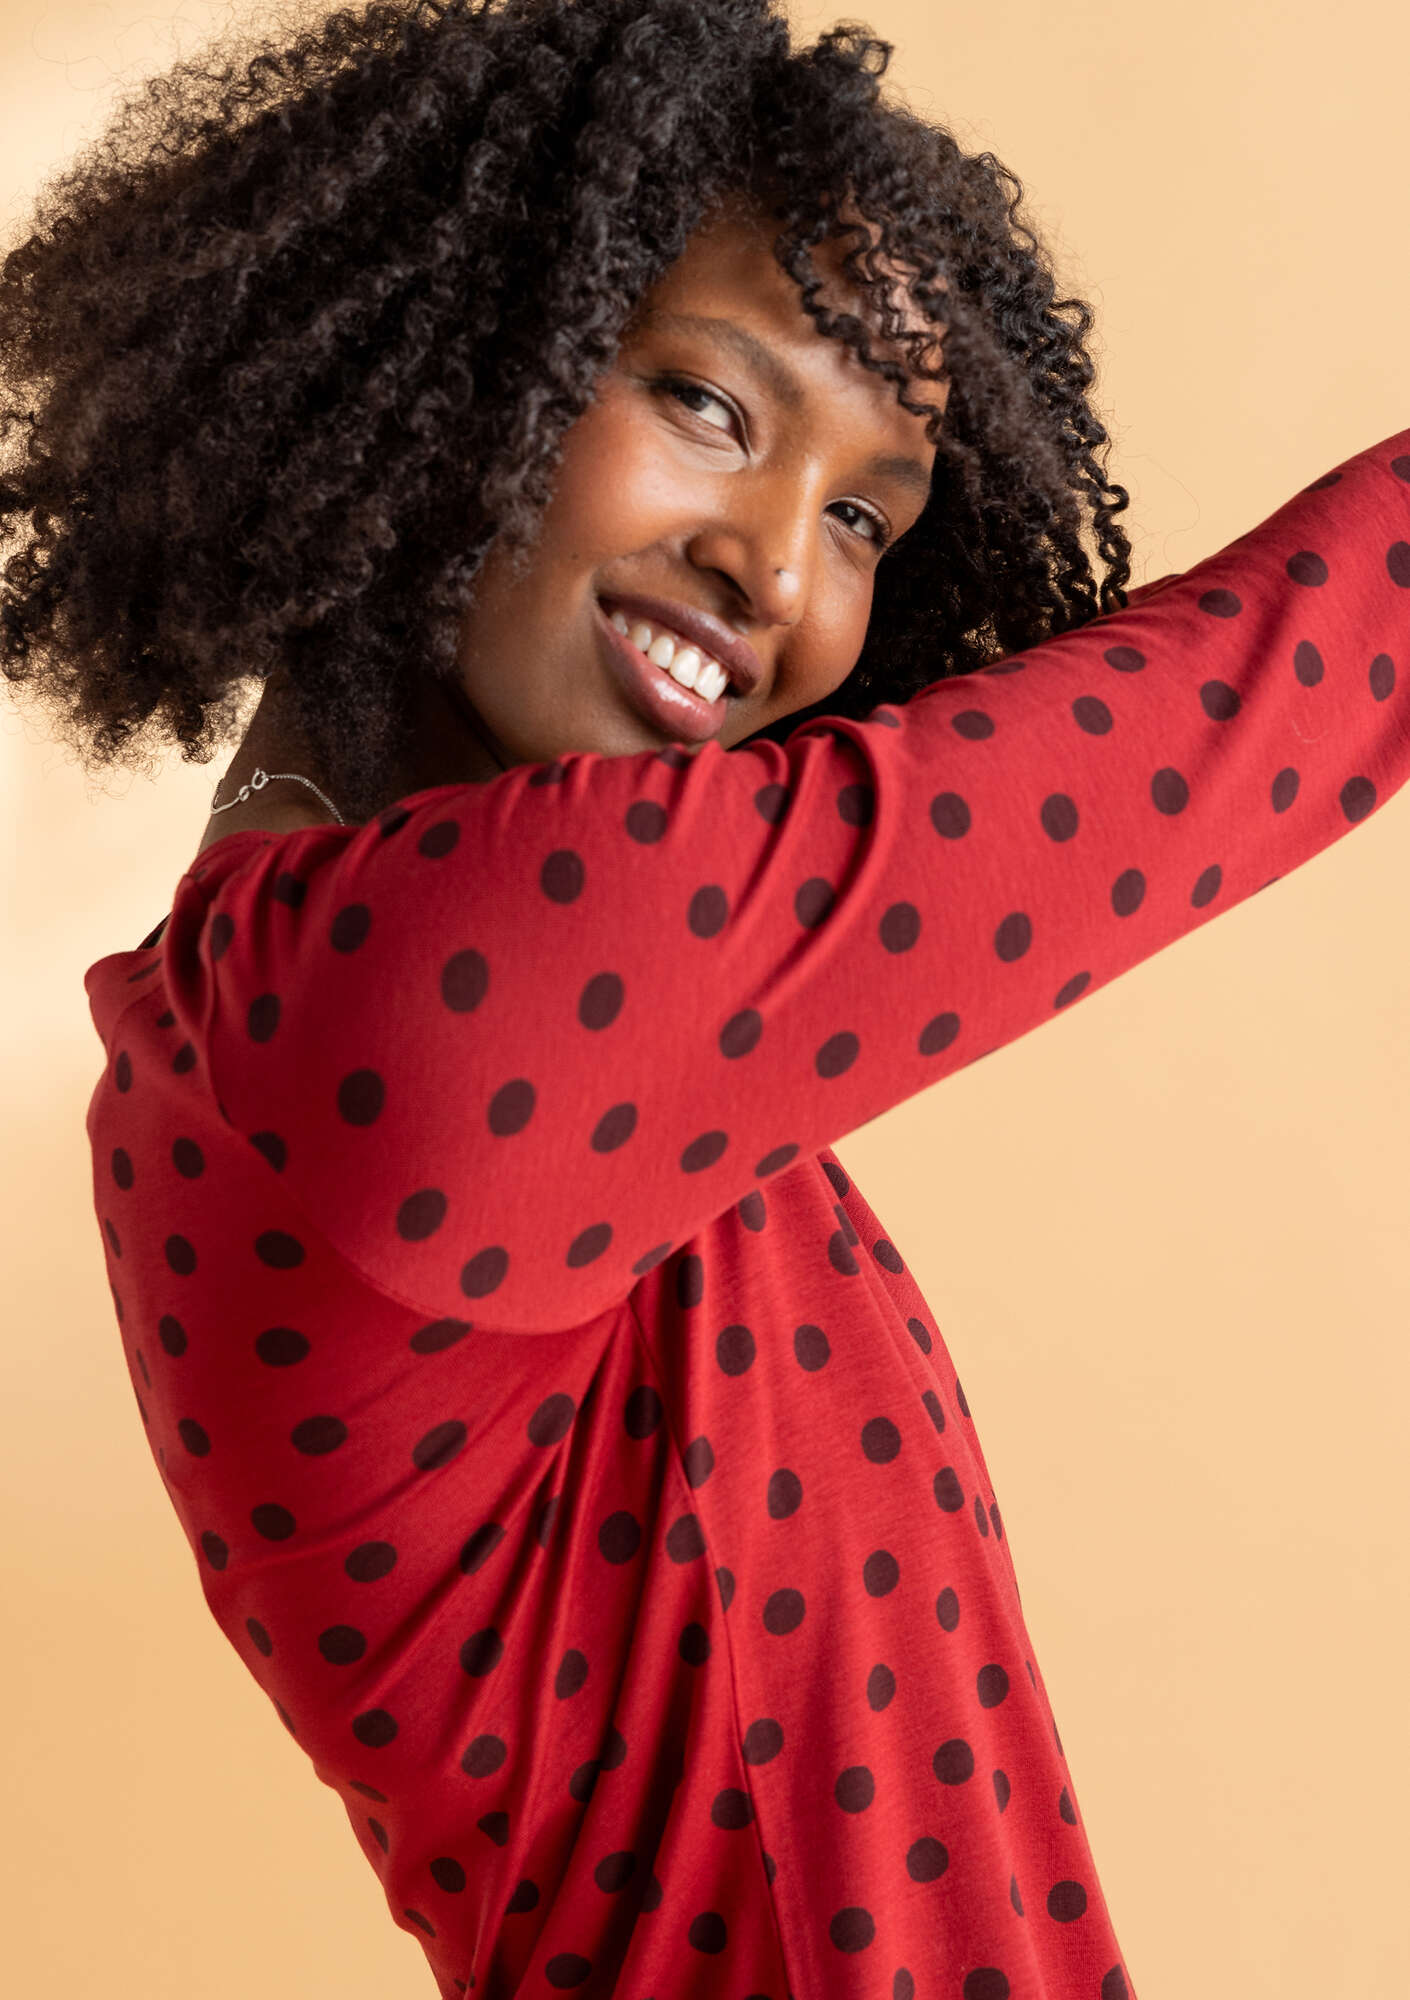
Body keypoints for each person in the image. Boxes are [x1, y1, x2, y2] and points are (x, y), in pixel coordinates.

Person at [4, 1, 1406, 1994]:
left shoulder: (367, 996)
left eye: (862, 516)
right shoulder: (413, 986)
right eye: (707, 403)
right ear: (464, 356)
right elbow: (1231, 712)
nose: (778, 576)